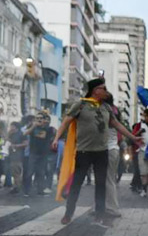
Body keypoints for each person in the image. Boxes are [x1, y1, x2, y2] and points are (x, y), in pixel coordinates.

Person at [53, 79, 140, 226]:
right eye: (103, 88)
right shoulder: (81, 104)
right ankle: (68, 213)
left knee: (101, 185)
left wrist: (132, 137)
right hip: (84, 151)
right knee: (76, 184)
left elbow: (117, 124)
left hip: (102, 152)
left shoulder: (106, 107)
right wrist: (56, 139)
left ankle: (100, 215)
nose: (106, 91)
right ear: (95, 90)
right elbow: (66, 122)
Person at [24, 112, 55, 196]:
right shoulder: (32, 127)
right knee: (29, 172)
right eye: (37, 118)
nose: (39, 120)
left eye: (41, 118)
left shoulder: (48, 129)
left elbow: (51, 134)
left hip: (43, 154)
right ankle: (27, 191)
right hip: (33, 153)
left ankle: (40, 190)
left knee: (41, 173)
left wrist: (44, 125)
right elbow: (25, 133)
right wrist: (34, 125)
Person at [105, 97, 123, 217]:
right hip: (113, 148)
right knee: (106, 180)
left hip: (109, 149)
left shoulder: (108, 112)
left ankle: (112, 208)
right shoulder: (115, 111)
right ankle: (102, 206)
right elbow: (120, 137)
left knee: (108, 180)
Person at [7, 121, 27, 194]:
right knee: (13, 171)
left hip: (18, 155)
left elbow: (25, 144)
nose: (10, 128)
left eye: (12, 126)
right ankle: (15, 186)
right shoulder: (12, 134)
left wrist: (16, 146)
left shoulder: (21, 134)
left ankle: (17, 187)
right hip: (12, 155)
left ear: (16, 127)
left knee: (17, 171)